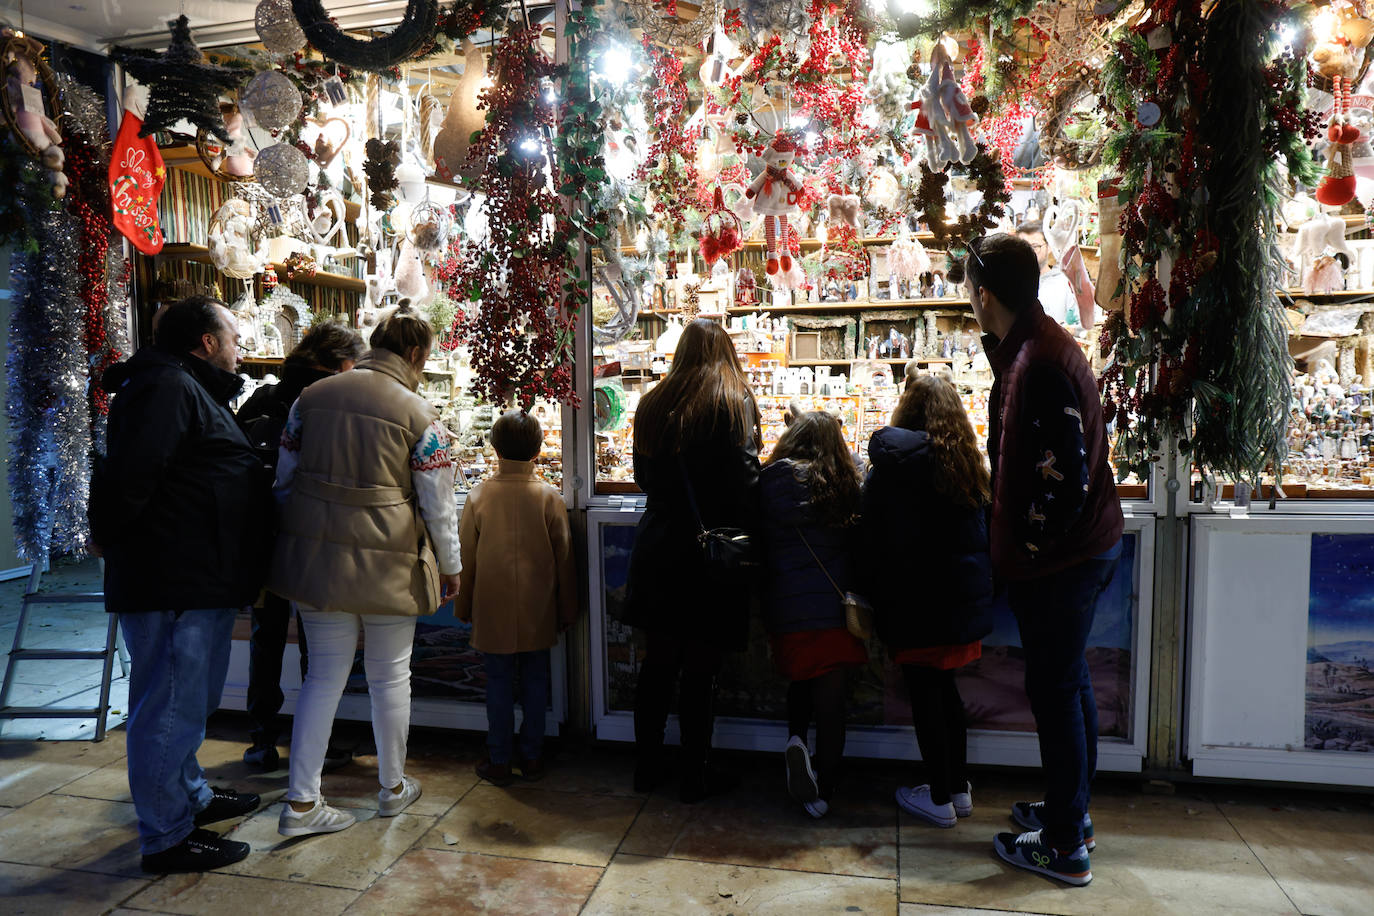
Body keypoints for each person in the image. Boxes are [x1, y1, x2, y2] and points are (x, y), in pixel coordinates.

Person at [964, 233, 1124, 886]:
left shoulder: (1042, 361)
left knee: (1054, 693)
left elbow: (1061, 483)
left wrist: (1028, 552)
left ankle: (1063, 845)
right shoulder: (1032, 348)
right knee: (1068, 684)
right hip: (1071, 555)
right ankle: (1071, 812)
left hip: (1062, 563)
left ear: (984, 295)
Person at [267, 305, 461, 837]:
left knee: (322, 677)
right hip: (390, 563)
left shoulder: (311, 399)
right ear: (417, 355)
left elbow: (284, 480)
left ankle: (301, 804)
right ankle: (393, 788)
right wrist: (451, 566)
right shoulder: (419, 414)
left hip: (317, 560)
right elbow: (439, 505)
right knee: (389, 675)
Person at [91, 295, 269, 873]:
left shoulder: (184, 386)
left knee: (188, 705)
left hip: (197, 577)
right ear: (206, 343)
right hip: (173, 581)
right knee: (167, 708)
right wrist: (112, 540)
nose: (239, 349)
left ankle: (189, 795)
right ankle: (166, 836)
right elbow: (131, 479)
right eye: (234, 338)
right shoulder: (165, 387)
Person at [623, 318, 761, 803]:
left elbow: (642, 479)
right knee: (701, 672)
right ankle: (694, 777)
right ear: (724, 351)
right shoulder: (734, 401)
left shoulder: (652, 404)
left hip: (660, 549)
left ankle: (646, 768)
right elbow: (748, 485)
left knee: (658, 666)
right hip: (710, 558)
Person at [862, 375, 993, 828]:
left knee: (926, 696)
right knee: (947, 692)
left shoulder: (892, 466)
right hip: (959, 608)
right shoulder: (966, 465)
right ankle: (957, 788)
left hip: (913, 605)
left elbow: (869, 530)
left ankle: (938, 796)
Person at [237, 321, 366, 772]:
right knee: (319, 640)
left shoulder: (264, 396)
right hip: (312, 538)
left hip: (261, 536)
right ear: (338, 363)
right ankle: (316, 743)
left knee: (266, 637)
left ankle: (261, 740)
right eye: (354, 364)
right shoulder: (332, 402)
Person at [456, 409, 579, 785]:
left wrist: (464, 606)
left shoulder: (478, 497)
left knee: (497, 684)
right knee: (535, 682)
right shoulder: (548, 497)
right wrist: (568, 608)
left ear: (494, 449)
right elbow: (565, 560)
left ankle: (498, 759)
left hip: (492, 609)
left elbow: (467, 559)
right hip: (537, 610)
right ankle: (532, 757)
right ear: (538, 450)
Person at [758, 409, 866, 819]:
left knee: (799, 685)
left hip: (787, 611)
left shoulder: (770, 483)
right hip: (835, 611)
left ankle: (796, 742)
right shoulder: (844, 481)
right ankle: (825, 785)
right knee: (832, 704)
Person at [1015, 219, 1095, 331]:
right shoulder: (1012, 283)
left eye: (1035, 247)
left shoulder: (1065, 282)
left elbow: (1084, 325)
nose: (1027, 253)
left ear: (1049, 248)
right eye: (1022, 247)